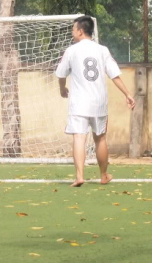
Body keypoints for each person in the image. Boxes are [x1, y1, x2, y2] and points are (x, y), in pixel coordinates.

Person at [56, 16, 135, 187]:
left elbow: (61, 75)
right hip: (99, 102)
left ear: (80, 31)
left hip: (79, 103)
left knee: (79, 138)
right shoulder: (102, 50)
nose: (72, 32)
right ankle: (104, 175)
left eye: (73, 29)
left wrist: (62, 89)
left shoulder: (71, 51)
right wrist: (127, 93)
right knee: (100, 139)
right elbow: (114, 74)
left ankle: (79, 176)